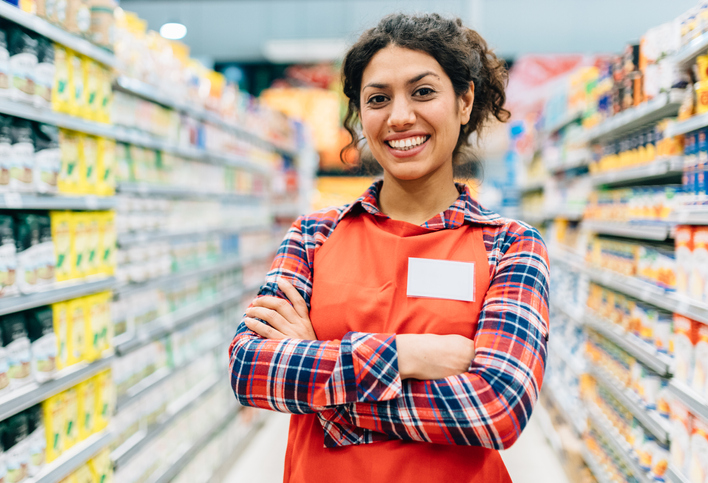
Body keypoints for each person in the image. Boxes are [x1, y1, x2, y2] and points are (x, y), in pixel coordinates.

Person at [229, 12, 549, 483]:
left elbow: (495, 409)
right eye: (378, 98)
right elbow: (250, 368)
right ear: (361, 114)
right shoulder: (312, 236)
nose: (400, 116)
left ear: (464, 102)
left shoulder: (510, 246)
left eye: (423, 92)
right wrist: (409, 355)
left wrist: (321, 379)